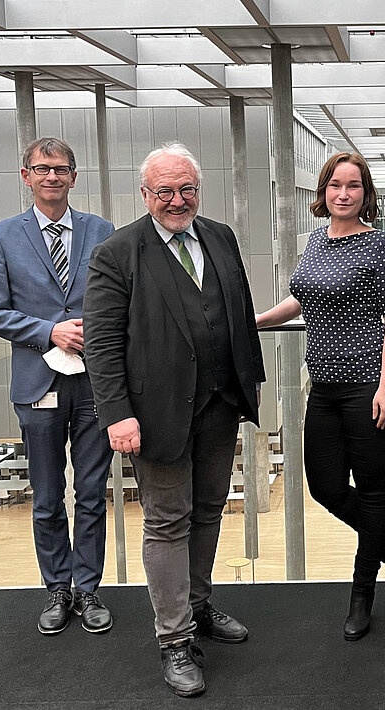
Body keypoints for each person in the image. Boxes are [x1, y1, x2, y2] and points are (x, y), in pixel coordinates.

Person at [83, 143, 265, 697]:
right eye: (165, 191)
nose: (177, 200)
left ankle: (199, 604)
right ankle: (175, 640)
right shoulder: (117, 253)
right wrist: (117, 414)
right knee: (166, 521)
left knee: (209, 510)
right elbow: (102, 342)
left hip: (219, 405)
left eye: (186, 188)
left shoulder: (220, 236)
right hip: (154, 415)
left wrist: (245, 386)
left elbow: (235, 309)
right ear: (145, 194)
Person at [257, 152, 385, 643]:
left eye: (353, 186)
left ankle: (363, 592)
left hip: (368, 387)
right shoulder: (316, 240)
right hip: (325, 388)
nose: (343, 193)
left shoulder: (381, 246)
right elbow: (303, 299)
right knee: (326, 488)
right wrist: (256, 321)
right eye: (335, 184)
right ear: (323, 191)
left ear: (365, 194)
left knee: (374, 489)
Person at [0, 137, 115, 636]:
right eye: (42, 169)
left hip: (96, 383)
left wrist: (88, 329)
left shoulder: (102, 230)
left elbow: (119, 297)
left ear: (74, 178)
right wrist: (48, 331)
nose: (52, 177)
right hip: (39, 381)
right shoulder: (3, 236)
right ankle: (57, 588)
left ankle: (89, 590)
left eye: (61, 169)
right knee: (46, 496)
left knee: (93, 492)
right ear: (26, 176)